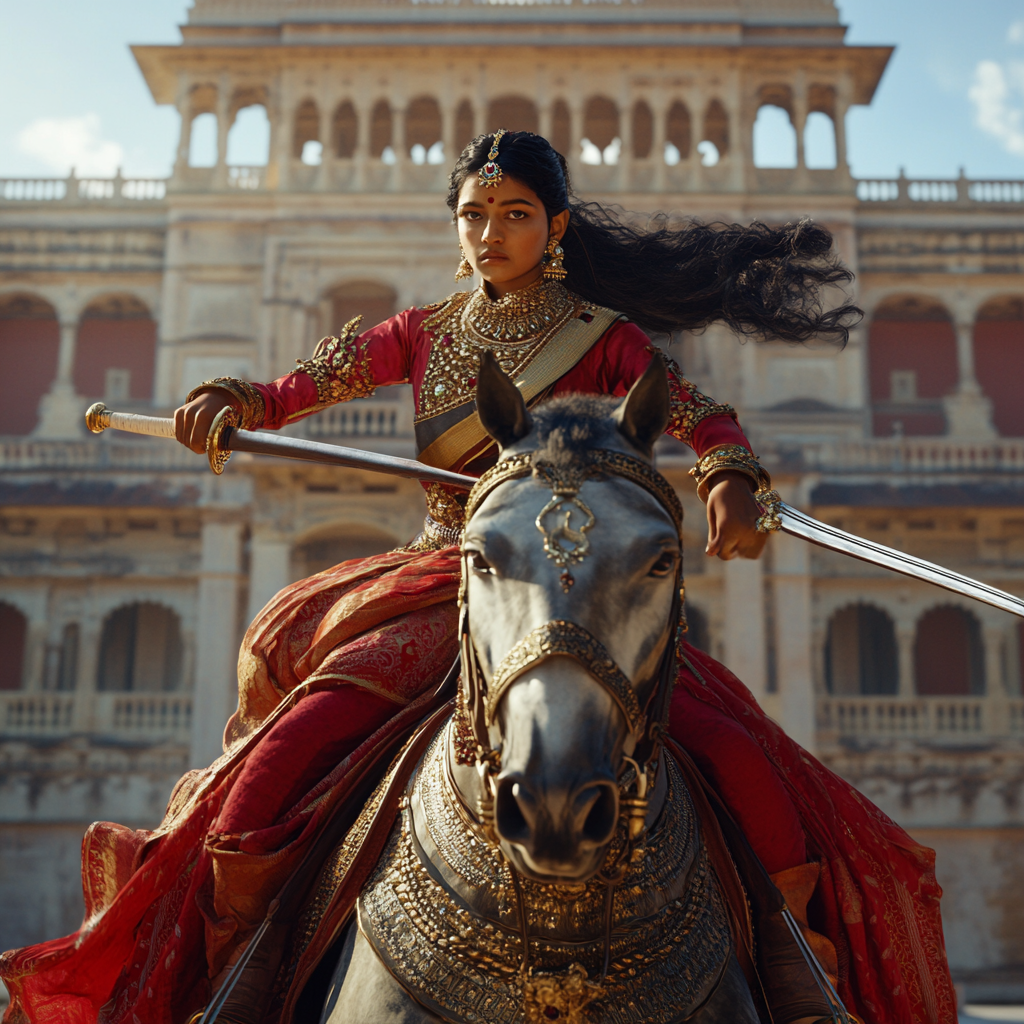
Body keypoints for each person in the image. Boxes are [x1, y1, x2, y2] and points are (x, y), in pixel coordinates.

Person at [0, 131, 955, 1024]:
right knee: (283, 755)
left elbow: (702, 412)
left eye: (513, 215)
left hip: (582, 587)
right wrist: (231, 400)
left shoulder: (602, 335)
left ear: (557, 229)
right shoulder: (426, 330)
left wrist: (730, 476)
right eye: (473, 215)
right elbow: (308, 384)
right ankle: (244, 968)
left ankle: (794, 969)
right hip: (448, 580)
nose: (489, 233)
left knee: (747, 764)